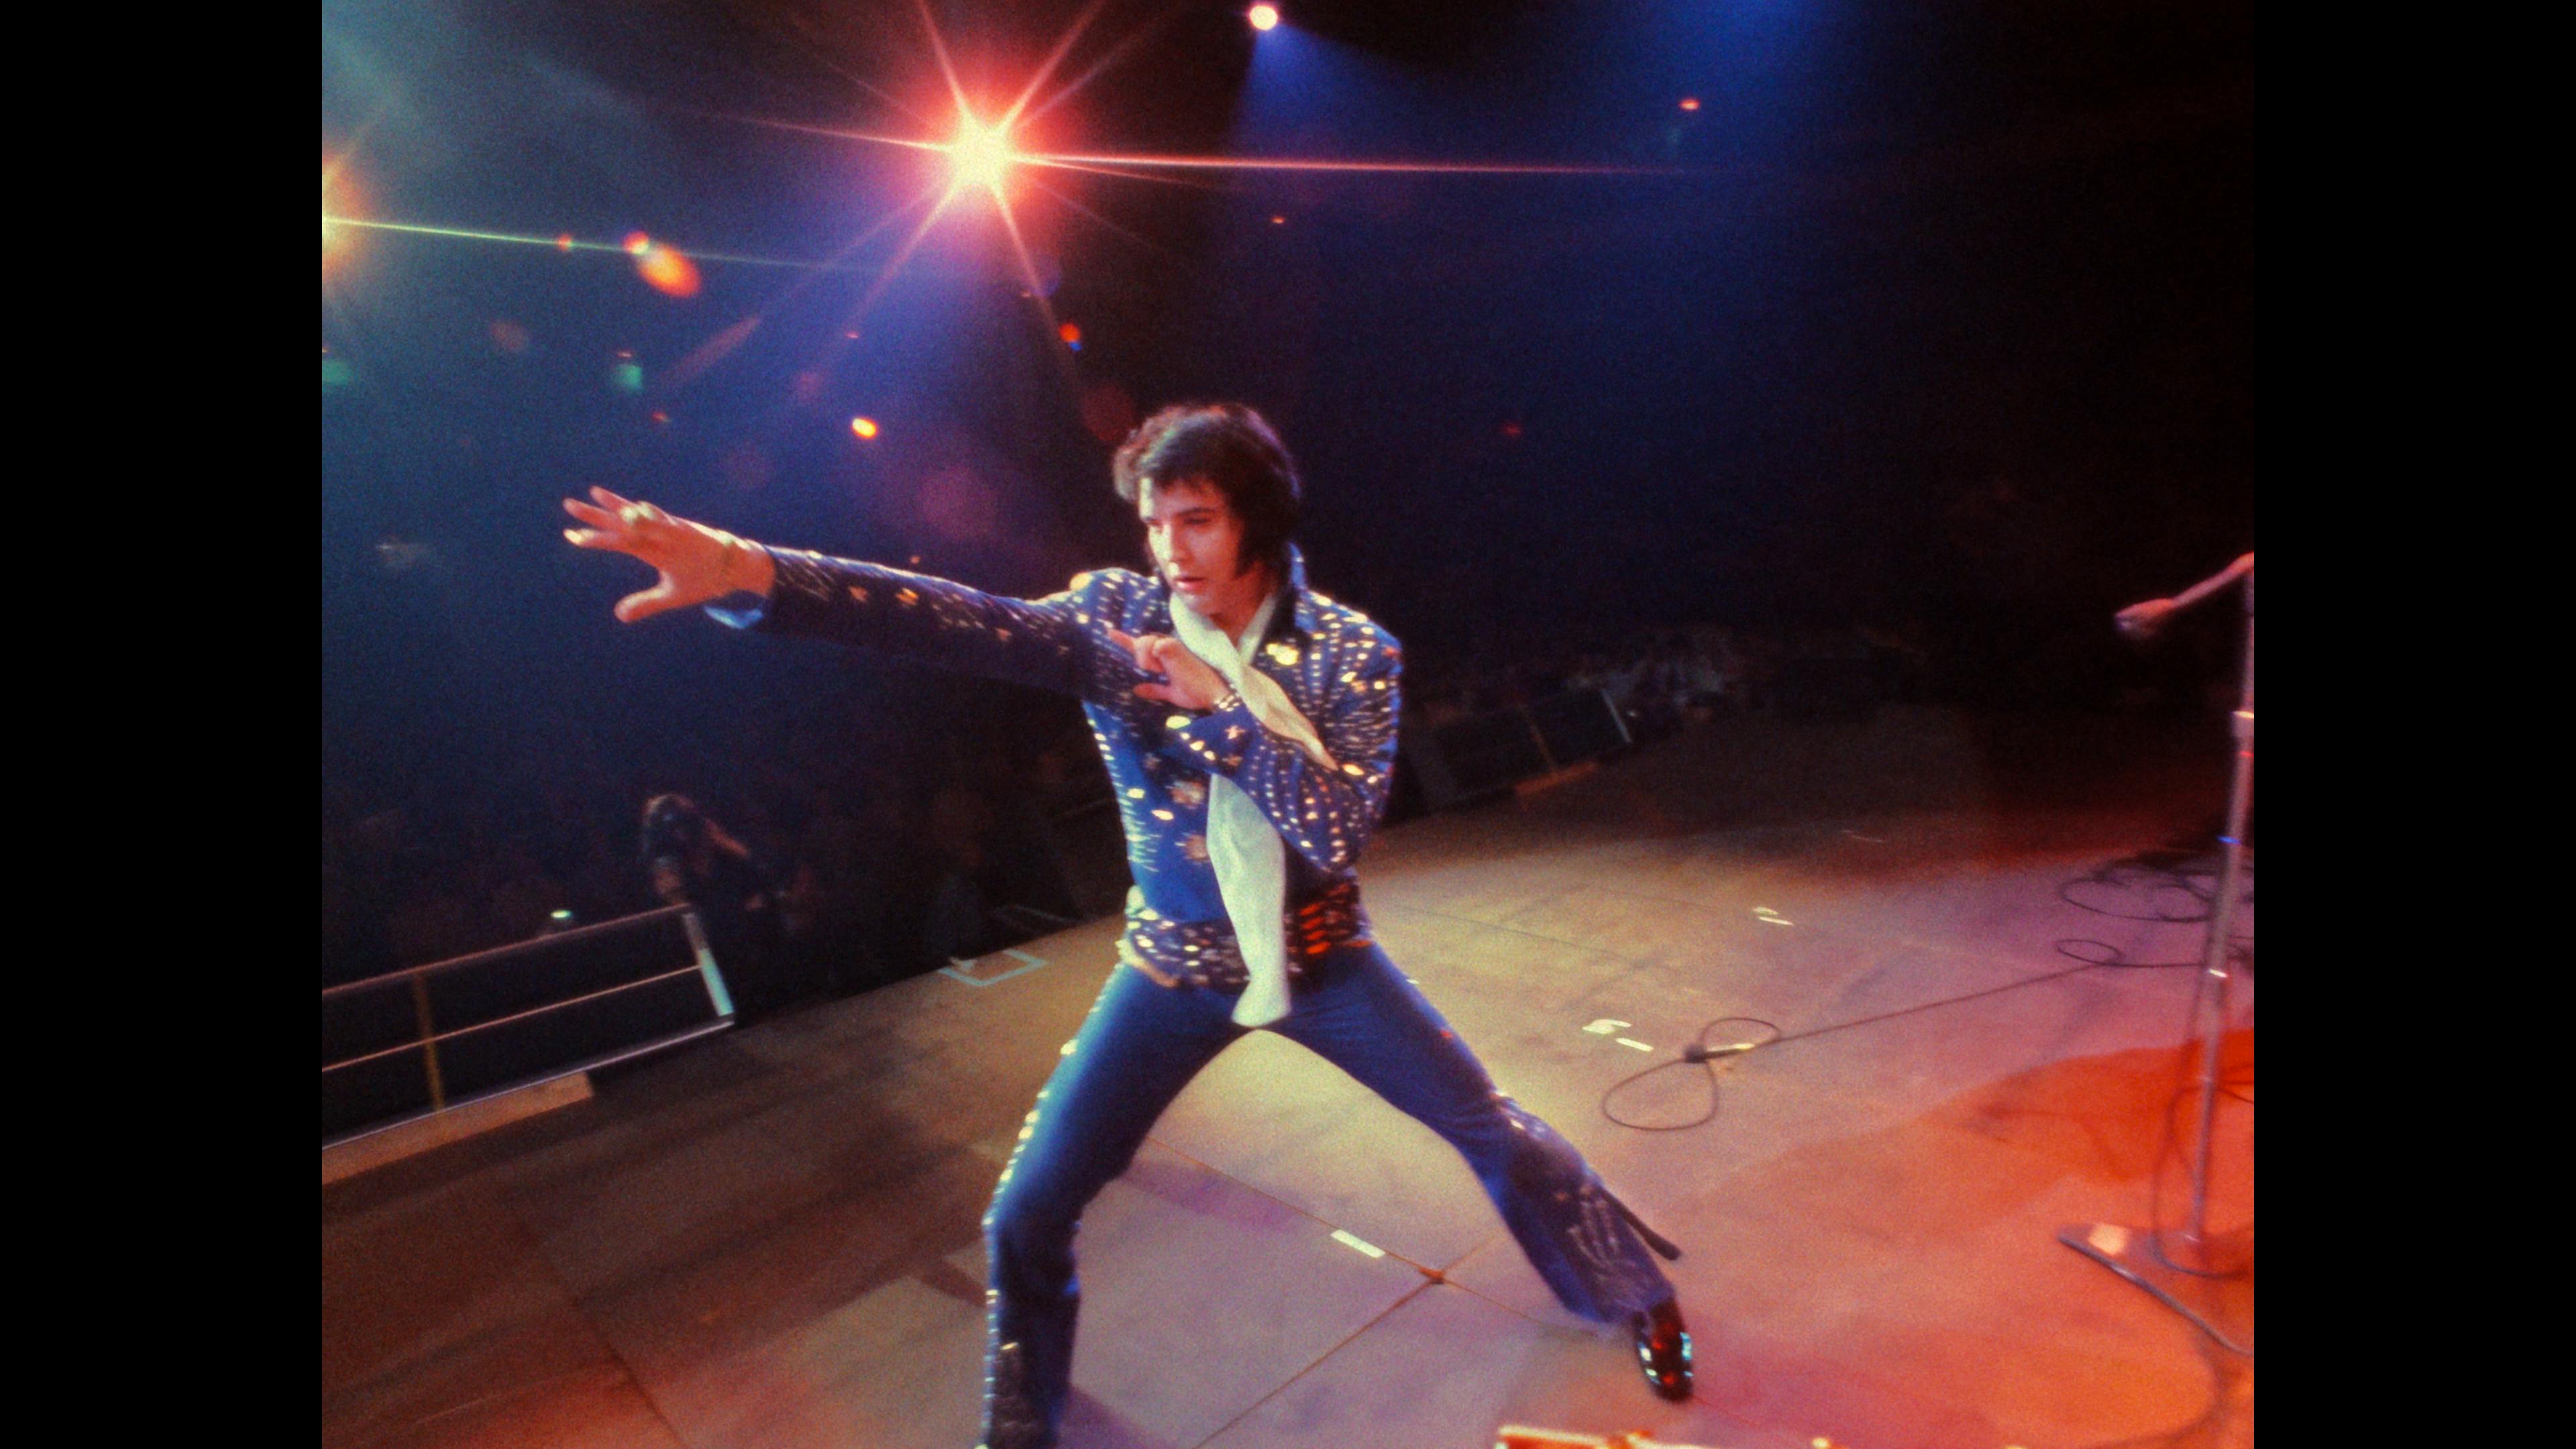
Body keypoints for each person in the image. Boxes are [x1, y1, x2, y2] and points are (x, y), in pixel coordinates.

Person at [563, 402, 1694, 1447]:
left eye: (1197, 521)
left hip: (1325, 958)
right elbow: (961, 623)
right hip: (1167, 972)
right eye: (1156, 523)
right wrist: (750, 570)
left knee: (1497, 1130)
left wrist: (1223, 713)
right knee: (1026, 1207)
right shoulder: (1119, 619)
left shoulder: (1354, 652)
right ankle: (1026, 1412)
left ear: (1258, 519)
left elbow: (1338, 830)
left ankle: (1633, 1293)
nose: (1171, 550)